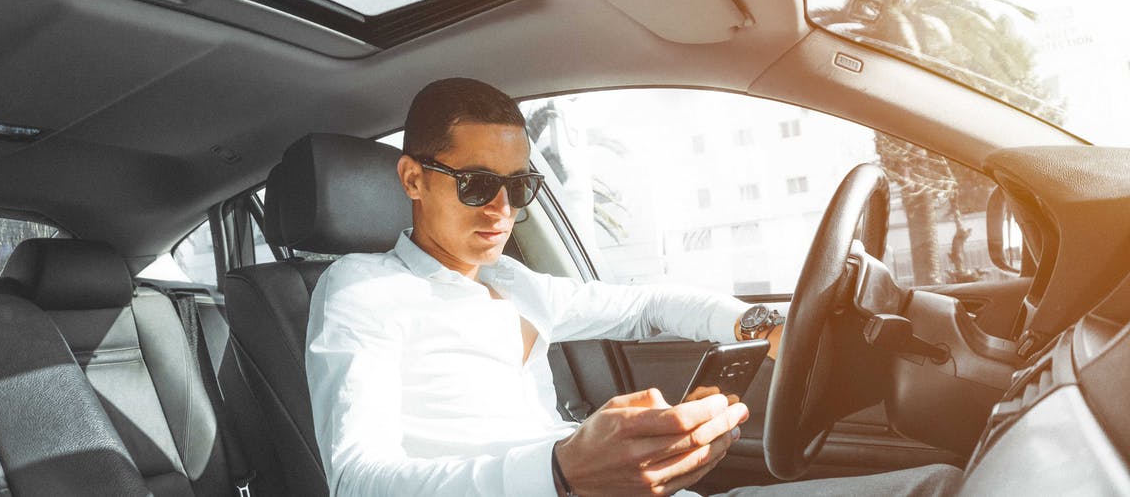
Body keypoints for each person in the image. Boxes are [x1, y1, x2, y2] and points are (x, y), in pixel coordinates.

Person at [305, 78, 961, 497]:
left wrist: (761, 326)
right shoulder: (360, 290)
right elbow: (357, 481)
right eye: (477, 183)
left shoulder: (514, 281)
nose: (502, 209)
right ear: (413, 179)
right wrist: (561, 473)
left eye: (520, 186)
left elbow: (648, 306)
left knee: (940, 483)